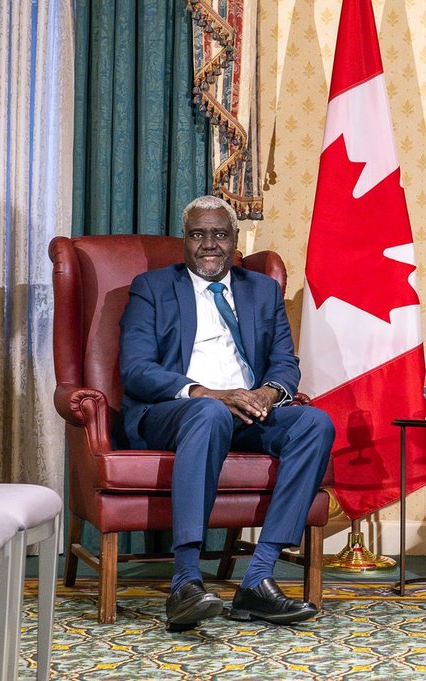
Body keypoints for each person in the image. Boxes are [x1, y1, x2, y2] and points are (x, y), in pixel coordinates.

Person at [119, 195, 335, 632]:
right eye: (199, 234)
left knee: (315, 423)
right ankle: (184, 583)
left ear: (235, 240)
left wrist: (269, 394)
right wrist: (210, 394)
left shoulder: (262, 289)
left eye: (220, 234)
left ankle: (258, 579)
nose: (209, 244)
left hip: (249, 410)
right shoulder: (153, 288)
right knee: (209, 414)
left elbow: (283, 362)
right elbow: (136, 369)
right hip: (176, 411)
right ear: (185, 241)